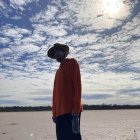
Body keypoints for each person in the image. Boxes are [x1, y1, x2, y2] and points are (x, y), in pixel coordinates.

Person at [47, 43, 83, 140]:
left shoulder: (72, 63)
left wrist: (76, 107)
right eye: (55, 52)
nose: (56, 53)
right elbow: (55, 94)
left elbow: (77, 85)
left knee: (74, 137)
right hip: (59, 114)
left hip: (72, 112)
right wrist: (54, 113)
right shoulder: (57, 72)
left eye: (58, 50)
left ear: (64, 52)